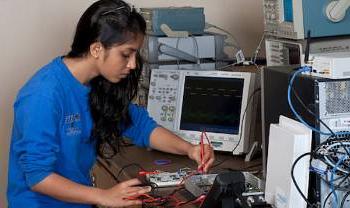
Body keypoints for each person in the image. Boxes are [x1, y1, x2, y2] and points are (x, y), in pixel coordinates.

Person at [6, 0, 215, 207]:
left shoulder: (98, 83)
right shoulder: (42, 95)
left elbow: (141, 126)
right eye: (126, 54)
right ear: (97, 49)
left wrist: (189, 149)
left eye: (135, 54)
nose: (133, 64)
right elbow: (38, 177)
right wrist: (102, 196)